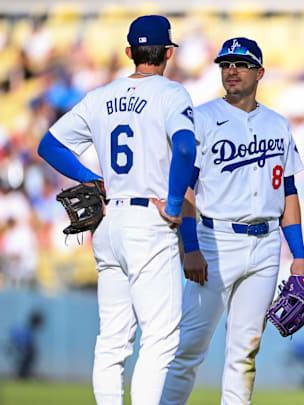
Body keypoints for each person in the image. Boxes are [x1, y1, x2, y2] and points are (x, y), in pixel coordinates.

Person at [36, 15, 197, 405]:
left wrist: (92, 181)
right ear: (169, 52)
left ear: (130, 52)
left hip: (108, 222)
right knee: (159, 338)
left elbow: (49, 145)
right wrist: (175, 205)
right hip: (148, 221)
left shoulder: (101, 96)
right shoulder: (172, 94)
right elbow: (187, 149)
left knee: (112, 341)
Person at [159, 37, 304, 405]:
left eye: (240, 64)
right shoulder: (202, 118)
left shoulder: (277, 124)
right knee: (191, 346)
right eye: (226, 64)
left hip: (266, 242)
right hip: (215, 240)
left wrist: (300, 257)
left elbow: (288, 192)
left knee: (245, 352)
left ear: (259, 72)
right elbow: (187, 190)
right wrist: (189, 248)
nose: (232, 70)